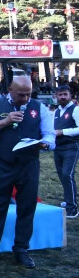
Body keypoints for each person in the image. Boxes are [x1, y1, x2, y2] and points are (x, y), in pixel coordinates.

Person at [0, 76, 55, 268]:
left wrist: (45, 143)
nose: (25, 98)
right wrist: (4, 122)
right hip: (2, 163)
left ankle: (21, 249)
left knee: (27, 206)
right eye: (21, 95)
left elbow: (50, 135)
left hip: (28, 164)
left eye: (28, 94)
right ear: (10, 89)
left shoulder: (39, 107)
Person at [53, 85, 79, 219]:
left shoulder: (75, 109)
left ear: (70, 96)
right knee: (62, 176)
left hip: (71, 147)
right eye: (60, 94)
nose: (62, 97)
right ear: (56, 96)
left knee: (67, 175)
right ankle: (69, 199)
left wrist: (62, 132)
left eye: (65, 94)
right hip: (58, 148)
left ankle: (72, 208)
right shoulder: (56, 111)